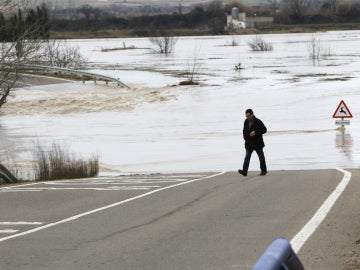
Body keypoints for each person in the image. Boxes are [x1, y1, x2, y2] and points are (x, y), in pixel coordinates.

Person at [238, 109, 267, 176]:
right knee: (247, 157)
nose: (247, 117)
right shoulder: (245, 121)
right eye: (246, 116)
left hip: (258, 143)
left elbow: (264, 130)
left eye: (248, 116)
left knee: (261, 157)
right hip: (249, 144)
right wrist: (245, 139)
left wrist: (255, 132)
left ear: (252, 114)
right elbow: (244, 131)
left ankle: (264, 171)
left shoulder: (258, 121)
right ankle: (244, 171)